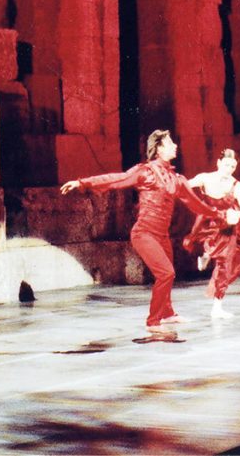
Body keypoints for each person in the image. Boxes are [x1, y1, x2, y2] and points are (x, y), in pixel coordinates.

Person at [60, 130, 223, 332]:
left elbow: (195, 204)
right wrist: (82, 182)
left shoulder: (176, 179)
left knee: (167, 275)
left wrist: (219, 214)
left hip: (162, 235)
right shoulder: (146, 172)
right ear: (159, 148)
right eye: (170, 143)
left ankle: (167, 314)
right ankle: (153, 321)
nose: (175, 146)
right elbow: (116, 179)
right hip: (144, 233)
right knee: (166, 273)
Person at [182, 149, 240, 319]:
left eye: (233, 167)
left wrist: (236, 213)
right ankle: (206, 254)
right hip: (208, 223)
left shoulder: (236, 186)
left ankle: (217, 307)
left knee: (225, 264)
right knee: (203, 243)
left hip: (227, 226)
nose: (229, 169)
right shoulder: (205, 178)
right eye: (226, 165)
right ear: (219, 163)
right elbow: (183, 186)